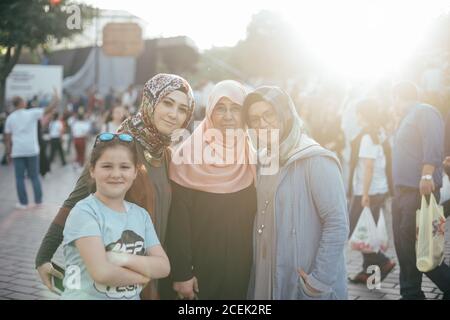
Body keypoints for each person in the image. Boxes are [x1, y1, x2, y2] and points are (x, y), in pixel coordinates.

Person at [35, 74, 195, 299]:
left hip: (155, 266)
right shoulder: (120, 145)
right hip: (118, 277)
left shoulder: (166, 154)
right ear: (150, 101)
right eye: (167, 103)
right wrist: (43, 255)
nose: (173, 114)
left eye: (182, 109)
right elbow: (75, 201)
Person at [244, 86, 349, 300]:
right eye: (254, 119)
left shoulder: (315, 159)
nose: (262, 124)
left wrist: (319, 280)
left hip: (304, 279)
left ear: (285, 114)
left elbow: (337, 222)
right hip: (269, 273)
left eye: (269, 114)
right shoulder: (263, 158)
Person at [166, 80, 256, 300]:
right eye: (220, 108)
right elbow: (178, 224)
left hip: (242, 269)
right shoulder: (186, 156)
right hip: (199, 271)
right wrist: (182, 273)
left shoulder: (252, 156)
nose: (228, 116)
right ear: (209, 112)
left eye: (236, 108)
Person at [61, 133, 170, 299]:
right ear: (92, 170)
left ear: (135, 172)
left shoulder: (141, 215)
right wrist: (143, 277)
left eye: (125, 167)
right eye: (107, 166)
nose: (116, 174)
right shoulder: (84, 212)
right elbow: (102, 272)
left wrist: (120, 258)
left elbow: (163, 266)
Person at [391, 81, 450, 300]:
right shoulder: (405, 118)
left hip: (418, 192)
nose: (392, 104)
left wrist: (427, 174)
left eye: (393, 99)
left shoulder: (424, 111)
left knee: (420, 249)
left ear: (398, 96)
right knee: (404, 249)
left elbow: (432, 143)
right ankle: (411, 294)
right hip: (402, 193)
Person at [347, 98, 396, 284]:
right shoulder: (379, 133)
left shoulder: (367, 137)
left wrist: (364, 193)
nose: (356, 116)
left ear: (363, 114)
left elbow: (368, 166)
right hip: (379, 189)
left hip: (367, 191)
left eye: (358, 113)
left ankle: (383, 262)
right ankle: (368, 272)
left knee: (354, 229)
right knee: (367, 231)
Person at [4, 94, 58, 209]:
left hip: (17, 151)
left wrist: (8, 153)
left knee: (19, 178)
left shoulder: (10, 118)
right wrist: (55, 99)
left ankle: (23, 203)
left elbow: (7, 137)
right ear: (22, 103)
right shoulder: (31, 113)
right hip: (32, 150)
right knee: (34, 176)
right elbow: (48, 109)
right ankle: (38, 201)